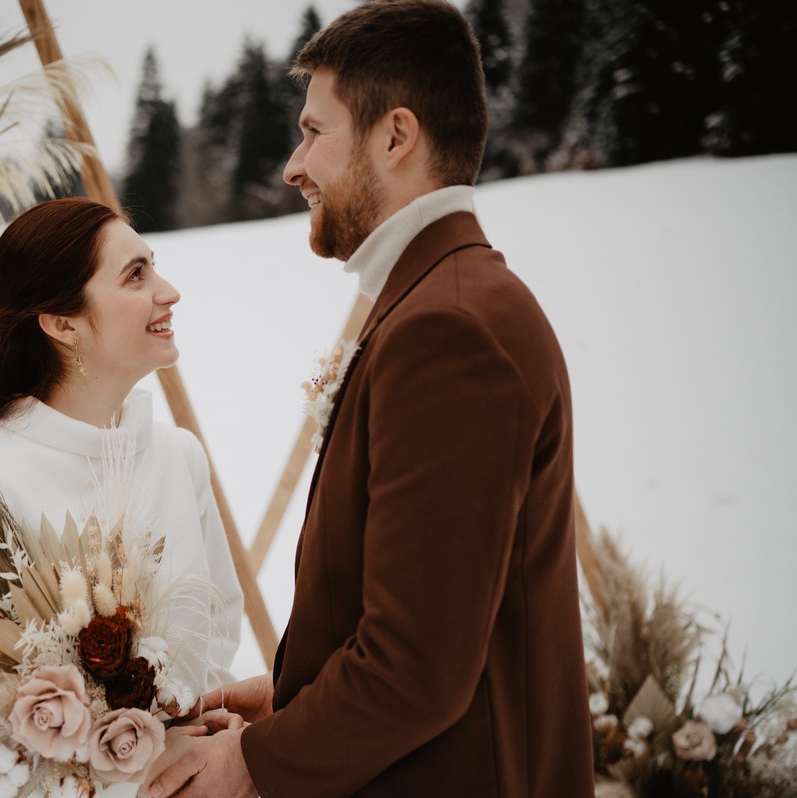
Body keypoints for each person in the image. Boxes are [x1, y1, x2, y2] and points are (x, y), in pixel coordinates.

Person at [143, 1, 593, 796]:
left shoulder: (450, 329)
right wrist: (295, 698)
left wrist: (255, 763)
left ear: (395, 136)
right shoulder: (447, 299)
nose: (292, 165)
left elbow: (417, 667)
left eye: (315, 133)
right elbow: (447, 619)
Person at [0, 197, 243, 794]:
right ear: (62, 324)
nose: (169, 292)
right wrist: (131, 770)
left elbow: (216, 637)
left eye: (152, 266)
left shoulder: (178, 456)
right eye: (136, 275)